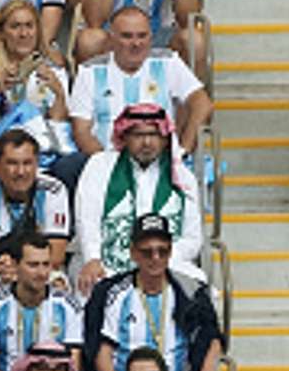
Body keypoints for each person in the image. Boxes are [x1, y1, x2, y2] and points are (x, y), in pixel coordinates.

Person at [73, 104, 201, 290]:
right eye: (139, 135)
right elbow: (87, 221)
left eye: (154, 135)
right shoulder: (100, 166)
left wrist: (156, 260)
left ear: (165, 139)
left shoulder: (183, 177)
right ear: (124, 137)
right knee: (92, 287)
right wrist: (92, 258)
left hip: (167, 264)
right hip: (107, 265)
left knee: (198, 287)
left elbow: (193, 238)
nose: (147, 142)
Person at [85, 213, 221, 371]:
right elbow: (101, 349)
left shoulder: (191, 291)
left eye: (162, 251)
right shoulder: (111, 293)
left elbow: (213, 340)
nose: (155, 258)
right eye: (147, 252)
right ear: (133, 253)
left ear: (170, 251)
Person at [0, 1, 76, 187]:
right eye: (15, 27)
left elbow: (60, 124)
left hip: (43, 149)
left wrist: (58, 92)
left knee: (70, 167)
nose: (24, 34)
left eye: (29, 26)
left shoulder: (54, 69)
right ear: (1, 33)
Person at [69, 10, 212, 158]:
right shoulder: (90, 71)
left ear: (151, 37)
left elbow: (202, 103)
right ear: (112, 39)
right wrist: (107, 164)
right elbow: (81, 131)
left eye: (142, 36)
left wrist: (183, 150)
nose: (136, 43)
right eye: (127, 36)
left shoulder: (168, 62)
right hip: (107, 162)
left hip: (163, 165)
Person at [0, 131, 72, 306]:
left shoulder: (54, 190)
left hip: (39, 265)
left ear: (37, 164)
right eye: (12, 163)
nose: (20, 172)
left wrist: (24, 270)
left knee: (58, 285)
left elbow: (56, 257)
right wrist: (5, 268)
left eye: (27, 163)